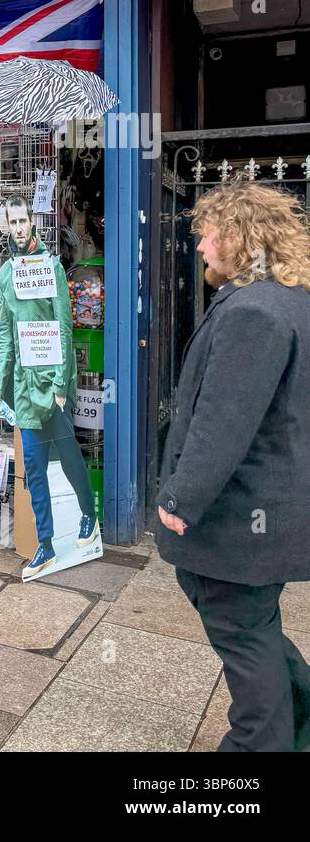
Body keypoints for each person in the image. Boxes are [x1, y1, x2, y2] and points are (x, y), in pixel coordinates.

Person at [155, 182, 310, 752]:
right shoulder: (290, 298)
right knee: (253, 627)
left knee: (244, 636)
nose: (199, 247)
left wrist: (180, 499)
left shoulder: (252, 311)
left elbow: (224, 419)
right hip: (267, 507)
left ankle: (259, 745)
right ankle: (300, 720)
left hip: (242, 514)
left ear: (240, 239)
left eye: (208, 234)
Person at [0, 195, 98, 576]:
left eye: (23, 221)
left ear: (33, 222)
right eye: (13, 222)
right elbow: (6, 333)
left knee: (68, 455)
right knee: (34, 466)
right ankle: (47, 545)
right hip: (23, 383)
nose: (19, 228)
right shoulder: (6, 272)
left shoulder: (51, 266)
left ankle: (88, 515)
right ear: (6, 225)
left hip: (51, 380)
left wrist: (59, 384)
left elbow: (64, 327)